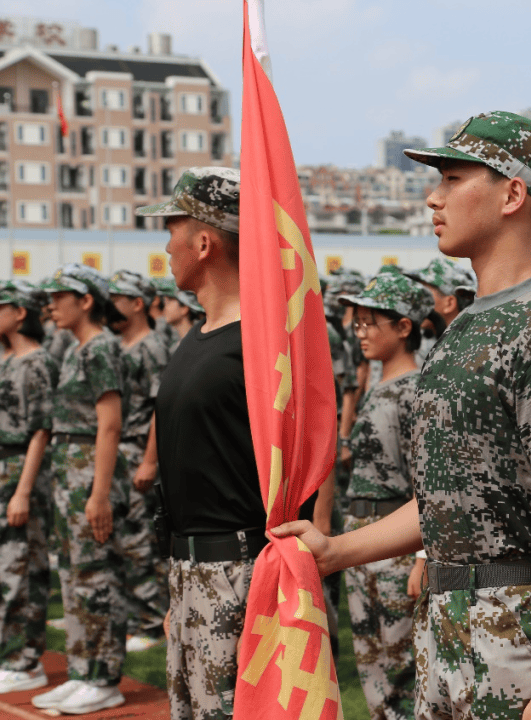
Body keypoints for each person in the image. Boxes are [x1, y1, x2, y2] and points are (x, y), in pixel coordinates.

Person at [274, 110, 531, 720]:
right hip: (448, 627)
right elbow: (449, 499)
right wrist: (334, 552)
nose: (434, 197)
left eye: (454, 178)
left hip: (520, 636)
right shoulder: (464, 330)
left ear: (513, 193)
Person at [136, 167, 323, 720]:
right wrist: (181, 585)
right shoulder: (197, 337)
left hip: (240, 573)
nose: (165, 244)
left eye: (171, 227)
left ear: (204, 240)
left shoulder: (263, 346)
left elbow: (302, 459)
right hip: (190, 571)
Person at [33, 263, 129, 714]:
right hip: (68, 474)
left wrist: (99, 492)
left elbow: (109, 426)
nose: (50, 304)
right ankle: (81, 671)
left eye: (60, 295)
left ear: (86, 300)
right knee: (72, 577)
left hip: (90, 473)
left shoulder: (101, 349)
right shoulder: (75, 349)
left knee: (96, 575)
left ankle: (104, 676)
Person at [338, 272, 432, 720]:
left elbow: (426, 480)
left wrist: (421, 558)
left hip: (396, 541)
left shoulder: (415, 389)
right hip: (364, 534)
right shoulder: (380, 386)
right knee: (372, 663)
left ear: (404, 327)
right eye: (357, 323)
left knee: (401, 667)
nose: (362, 333)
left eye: (371, 322)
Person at [108, 270, 172, 652]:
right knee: (121, 539)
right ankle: (135, 614)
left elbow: (160, 408)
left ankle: (150, 620)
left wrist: (149, 461)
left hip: (137, 450)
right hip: (117, 452)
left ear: (137, 304)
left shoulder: (152, 347)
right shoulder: (117, 345)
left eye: (118, 298)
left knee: (141, 539)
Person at [0, 281, 57, 695]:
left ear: (20, 312)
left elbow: (41, 430)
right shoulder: (8, 361)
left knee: (22, 566)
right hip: (6, 467)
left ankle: (25, 659)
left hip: (24, 470)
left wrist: (22, 490)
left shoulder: (37, 362)